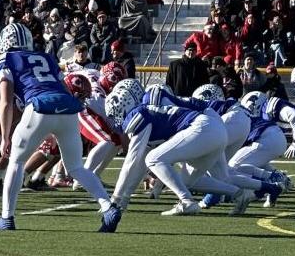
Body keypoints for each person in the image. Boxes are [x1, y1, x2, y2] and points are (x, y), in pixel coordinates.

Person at [0, 23, 122, 232]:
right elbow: (63, 87)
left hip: (39, 106)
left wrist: (5, 135)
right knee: (76, 167)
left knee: (16, 160)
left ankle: (7, 217)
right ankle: (108, 207)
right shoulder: (46, 57)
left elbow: (5, 100)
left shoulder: (4, 59)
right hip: (68, 108)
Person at [108, 79, 279, 216]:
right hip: (215, 128)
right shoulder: (152, 108)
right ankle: (241, 194)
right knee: (189, 180)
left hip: (204, 127)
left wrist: (116, 199)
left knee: (153, 159)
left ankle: (186, 202)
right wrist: (125, 198)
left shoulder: (140, 111)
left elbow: (133, 161)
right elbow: (141, 164)